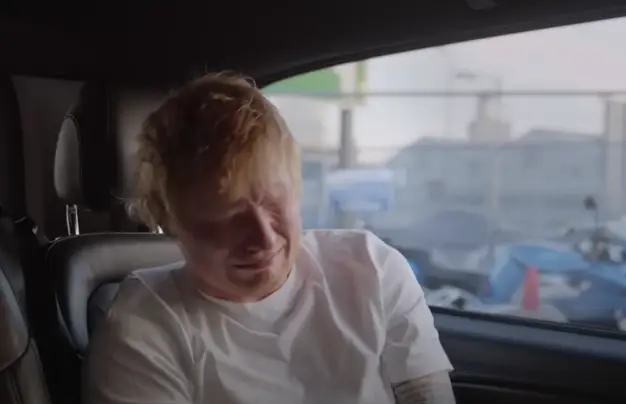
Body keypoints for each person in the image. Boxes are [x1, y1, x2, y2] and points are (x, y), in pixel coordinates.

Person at [84, 73, 455, 404]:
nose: (263, 237)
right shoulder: (144, 331)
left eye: (275, 199)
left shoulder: (372, 268)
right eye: (228, 216)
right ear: (170, 221)